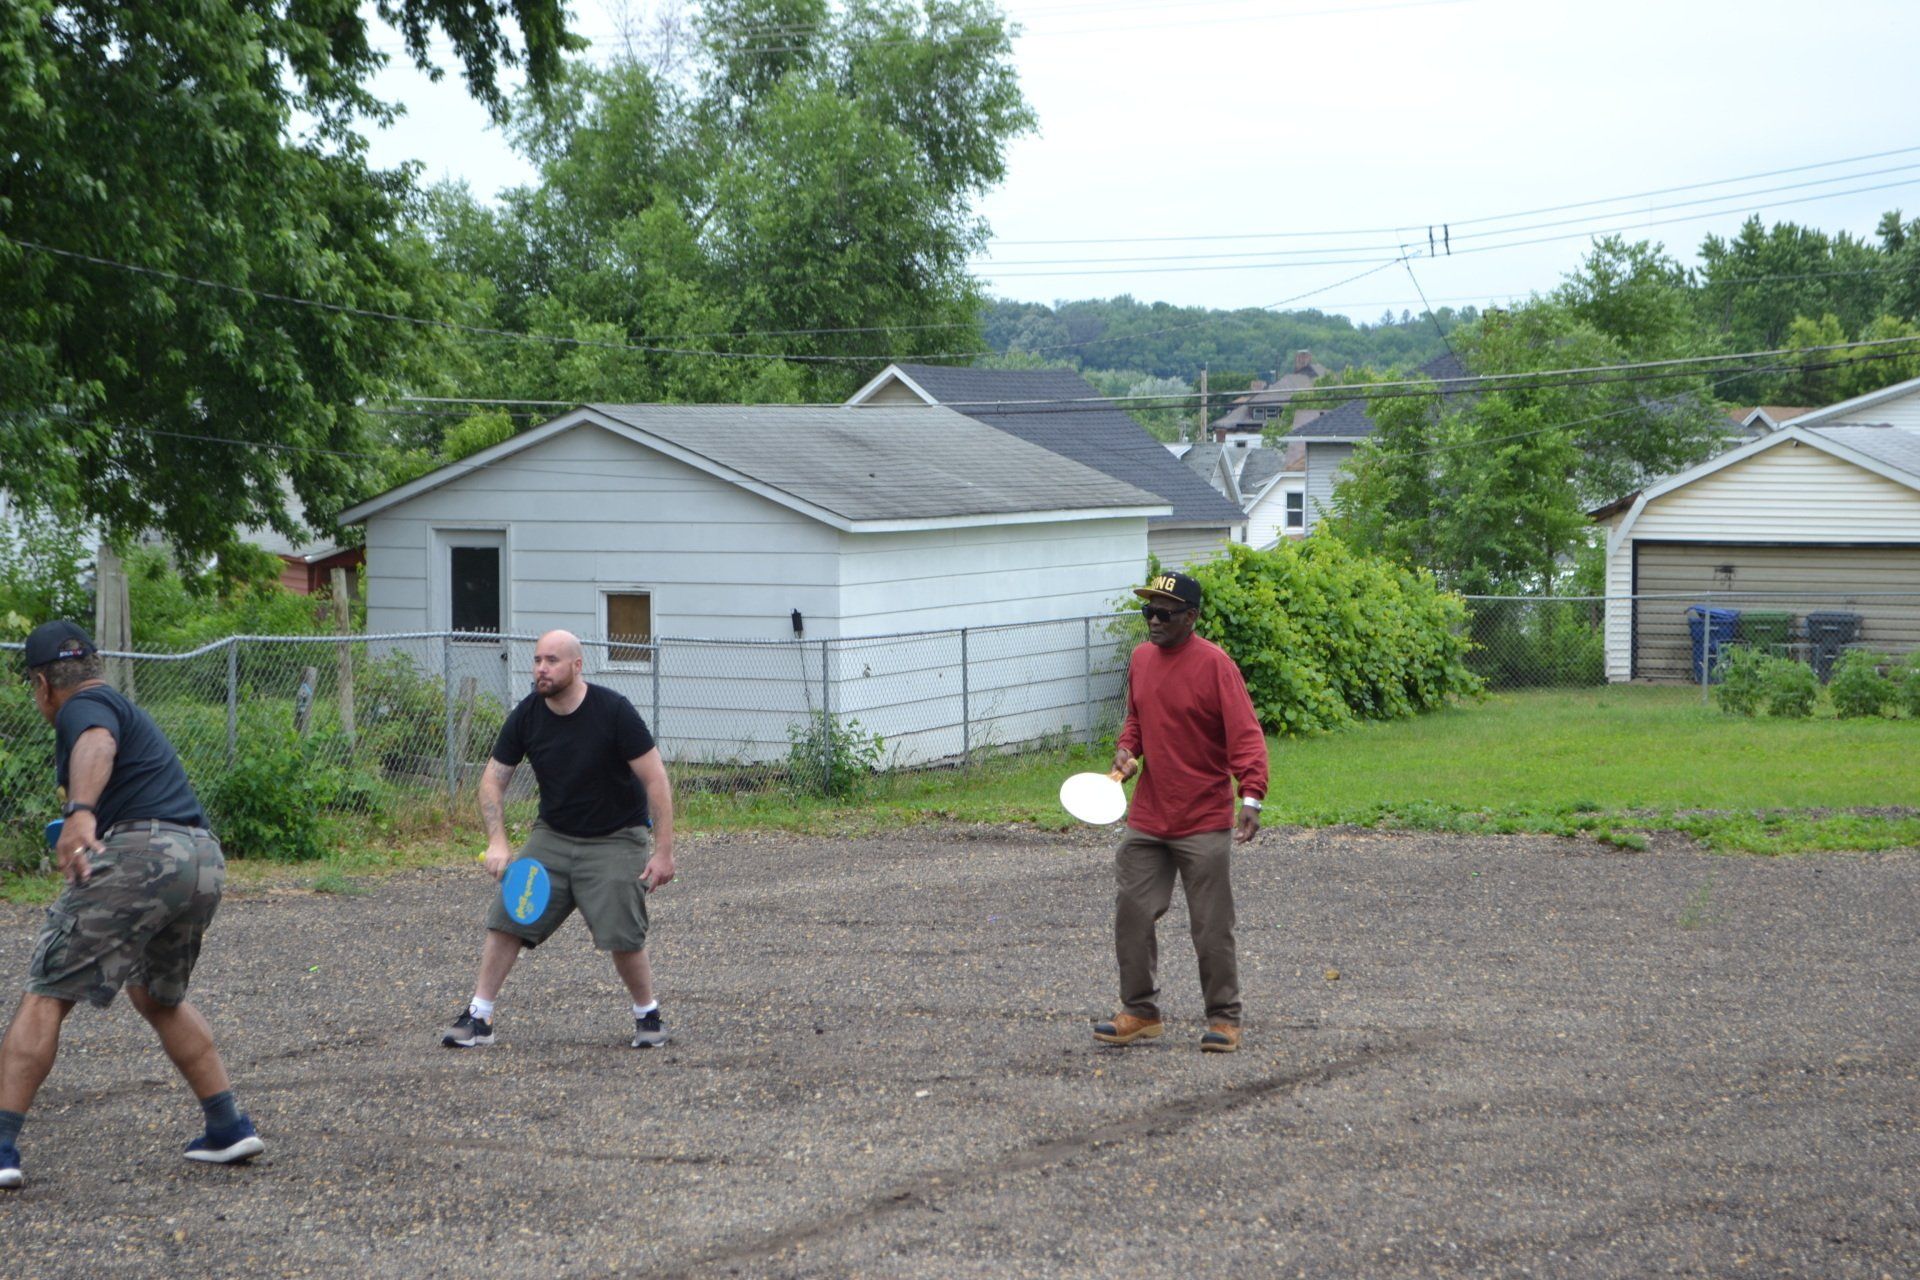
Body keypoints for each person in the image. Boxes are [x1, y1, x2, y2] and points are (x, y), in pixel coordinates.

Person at [0, 621, 261, 1190]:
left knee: (47, 991)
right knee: (158, 996)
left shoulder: (82, 707)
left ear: (42, 684)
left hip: (143, 853)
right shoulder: (119, 702)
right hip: (200, 856)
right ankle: (227, 1125)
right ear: (94, 665)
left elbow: (97, 742)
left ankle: (1, 1145)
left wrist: (81, 813)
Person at [441, 630, 677, 1050]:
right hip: (553, 835)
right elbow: (492, 780)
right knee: (508, 916)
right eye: (537, 660)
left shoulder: (613, 711)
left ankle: (648, 1015)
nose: (541, 669)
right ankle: (479, 1016)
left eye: (551, 660)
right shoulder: (527, 714)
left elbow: (655, 779)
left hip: (616, 837)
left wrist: (663, 852)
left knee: (621, 931)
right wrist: (498, 841)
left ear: (576, 666)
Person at [1094, 572, 1268, 1054]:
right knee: (1132, 913)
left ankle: (1224, 1018)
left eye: (1164, 613)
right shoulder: (1141, 659)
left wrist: (1251, 796)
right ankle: (1140, 1012)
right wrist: (1127, 750)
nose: (1153, 620)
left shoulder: (1215, 665)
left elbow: (1245, 734)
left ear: (1190, 617)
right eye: (1148, 611)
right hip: (1149, 816)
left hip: (1202, 819)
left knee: (1211, 926)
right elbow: (1136, 718)